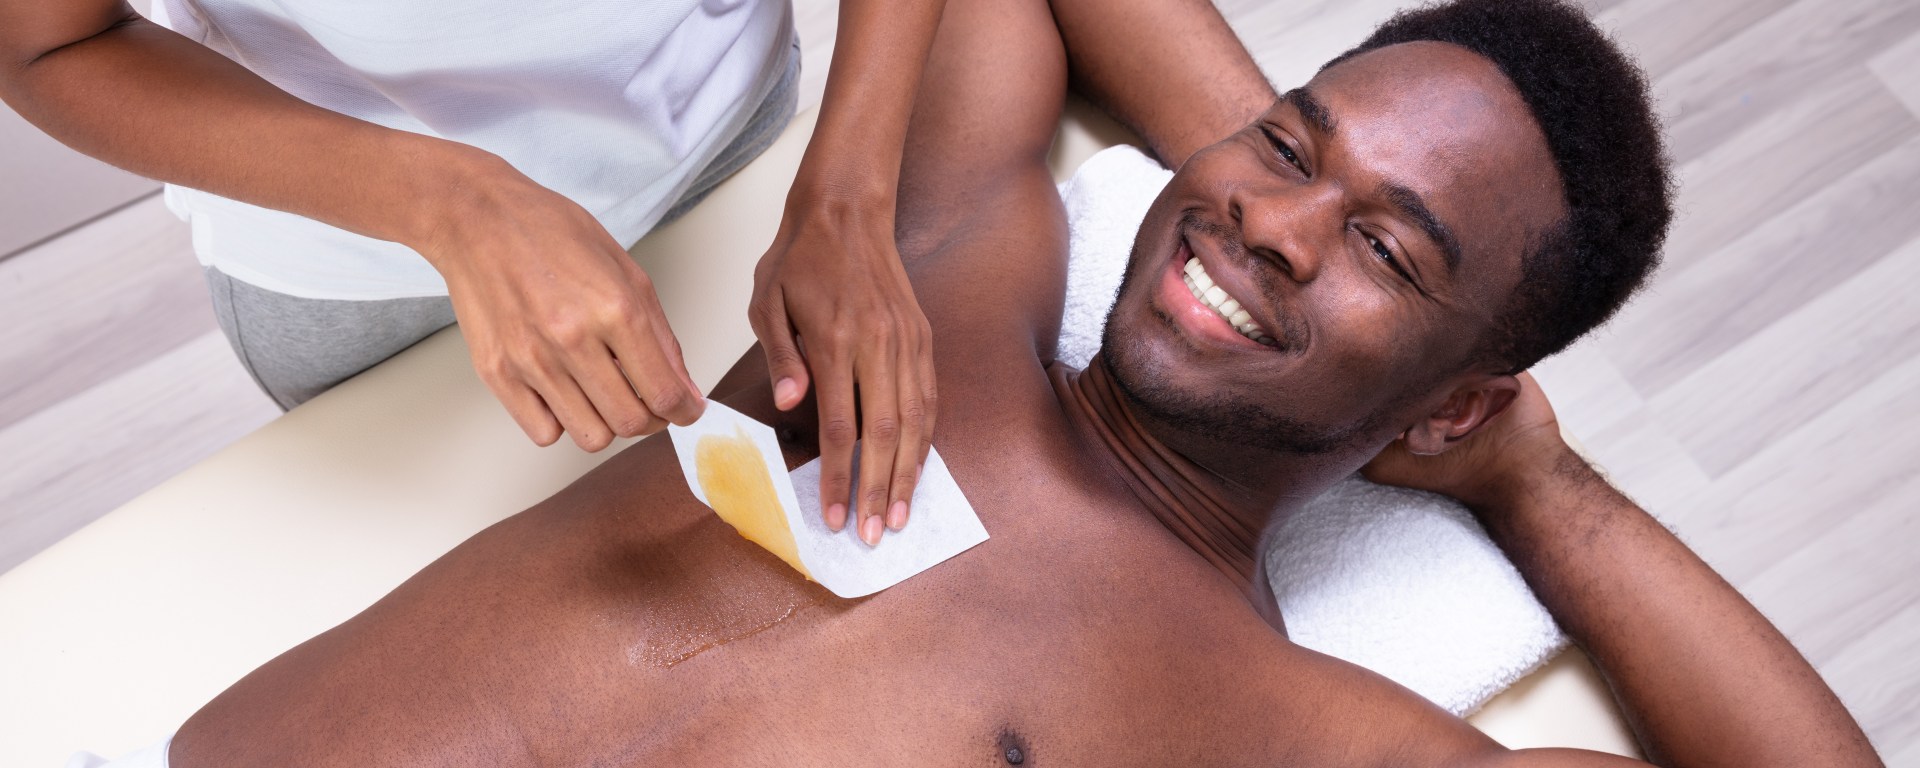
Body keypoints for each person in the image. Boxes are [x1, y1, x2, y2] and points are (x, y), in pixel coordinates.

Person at [153, 0, 1885, 764]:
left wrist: (1533, 478)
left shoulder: (1282, 730)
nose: (1271, 225)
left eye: (1390, 249)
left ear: (1453, 400)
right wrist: (1289, 204)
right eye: (1286, 143)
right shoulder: (939, 274)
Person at [0, 0, 944, 545]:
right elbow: (45, 43)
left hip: (728, 138)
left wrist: (849, 192)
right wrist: (450, 207)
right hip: (371, 269)